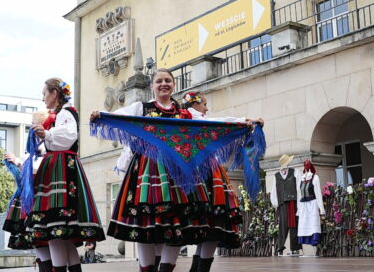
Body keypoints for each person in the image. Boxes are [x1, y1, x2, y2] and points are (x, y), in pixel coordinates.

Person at [91, 69, 249, 272]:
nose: (163, 84)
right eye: (159, 81)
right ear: (152, 86)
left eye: (167, 80)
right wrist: (101, 115)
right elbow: (121, 116)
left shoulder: (185, 112)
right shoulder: (142, 108)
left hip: (176, 175)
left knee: (176, 224)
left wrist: (242, 121)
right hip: (148, 172)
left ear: (174, 85)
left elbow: (211, 123)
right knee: (145, 224)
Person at [26, 78, 105, 272]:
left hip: (61, 168)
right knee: (60, 231)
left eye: (44, 93)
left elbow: (70, 135)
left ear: (54, 94)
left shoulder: (66, 112)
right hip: (58, 167)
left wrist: (47, 134)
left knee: (54, 228)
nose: (43, 98)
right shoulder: (61, 114)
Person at [179, 91, 263, 272]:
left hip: (203, 173)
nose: (207, 108)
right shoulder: (191, 117)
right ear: (195, 104)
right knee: (213, 225)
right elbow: (218, 123)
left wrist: (243, 120)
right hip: (203, 174)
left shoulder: (191, 117)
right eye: (204, 104)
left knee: (208, 227)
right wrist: (243, 120)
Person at [4, 111, 52, 272]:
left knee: (40, 239)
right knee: (36, 241)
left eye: (33, 123)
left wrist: (17, 162)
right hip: (33, 198)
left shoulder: (45, 148)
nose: (31, 127)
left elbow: (35, 168)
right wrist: (17, 162)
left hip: (38, 198)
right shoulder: (36, 150)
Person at [270, 154, 302, 256]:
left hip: (293, 202)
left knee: (294, 225)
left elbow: (299, 188)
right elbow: (273, 191)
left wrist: (300, 202)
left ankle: (295, 248)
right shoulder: (276, 176)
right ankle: (280, 248)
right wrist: (276, 204)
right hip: (282, 203)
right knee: (283, 225)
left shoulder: (295, 172)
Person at [296, 159, 324, 249]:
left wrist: (321, 208)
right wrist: (298, 209)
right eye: (305, 165)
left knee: (313, 223)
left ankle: (314, 241)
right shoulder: (301, 178)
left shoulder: (315, 177)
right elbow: (299, 195)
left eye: (308, 164)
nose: (306, 166)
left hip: (312, 203)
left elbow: (318, 193)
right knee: (304, 224)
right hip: (303, 205)